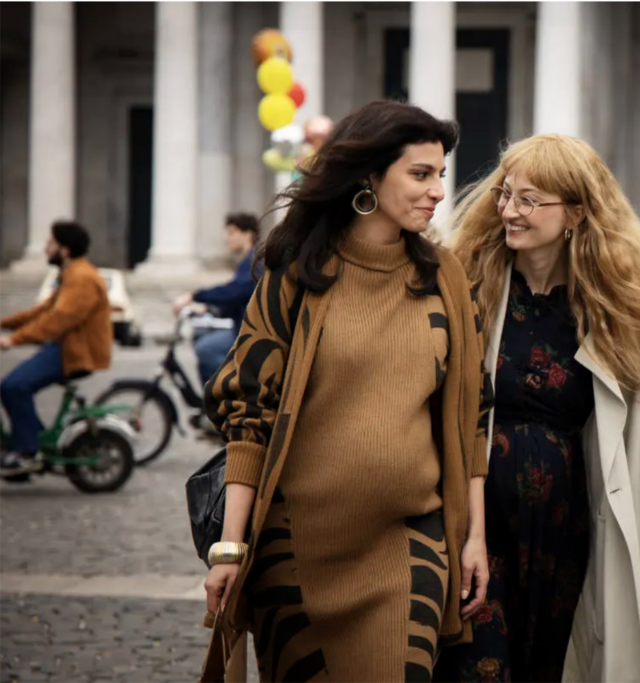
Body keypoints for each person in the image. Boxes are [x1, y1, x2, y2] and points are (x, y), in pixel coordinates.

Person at [198, 100, 492, 683]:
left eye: (440, 174)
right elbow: (248, 416)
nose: (438, 190)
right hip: (296, 556)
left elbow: (471, 417)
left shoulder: (446, 278)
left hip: (410, 546)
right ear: (368, 177)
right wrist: (230, 547)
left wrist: (474, 537)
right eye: (420, 173)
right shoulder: (293, 273)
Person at [435, 134, 640, 683]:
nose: (509, 210)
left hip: (565, 532)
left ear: (574, 213)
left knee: (546, 670)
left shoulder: (613, 312)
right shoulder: (469, 284)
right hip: (477, 525)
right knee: (480, 669)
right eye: (506, 194)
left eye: (530, 200)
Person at [0, 221, 113, 475]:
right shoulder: (71, 274)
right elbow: (42, 311)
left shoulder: (81, 278)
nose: (44, 248)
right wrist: (5, 324)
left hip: (73, 353)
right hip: (62, 348)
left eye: (50, 243)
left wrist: (13, 340)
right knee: (15, 385)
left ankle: (28, 450)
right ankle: (32, 440)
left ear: (64, 250)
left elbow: (57, 320)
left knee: (13, 386)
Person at [173, 213, 261, 387]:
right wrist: (208, 309)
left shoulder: (255, 261)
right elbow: (238, 300)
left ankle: (229, 395)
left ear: (248, 234)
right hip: (243, 327)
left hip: (251, 334)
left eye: (232, 232)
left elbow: (234, 291)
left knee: (206, 349)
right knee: (204, 340)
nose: (226, 238)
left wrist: (194, 295)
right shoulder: (247, 261)